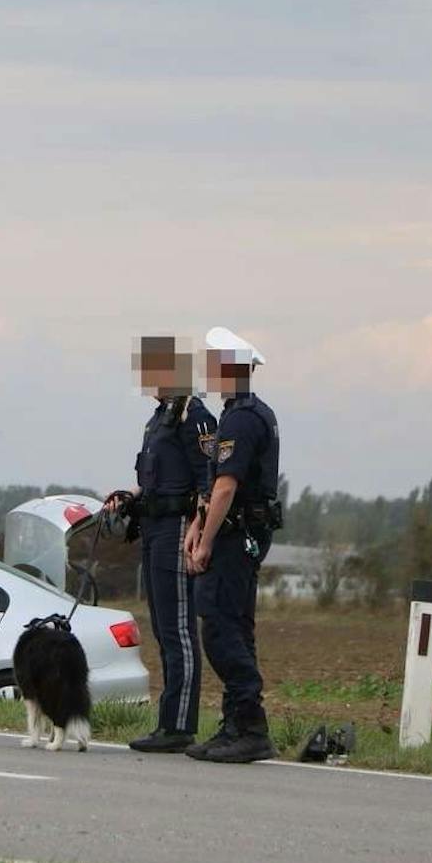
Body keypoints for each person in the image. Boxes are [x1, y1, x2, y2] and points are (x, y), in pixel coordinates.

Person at [107, 336, 219, 754]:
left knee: (179, 629)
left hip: (177, 529)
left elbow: (207, 481)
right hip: (153, 526)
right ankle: (167, 722)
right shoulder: (160, 418)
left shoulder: (196, 416)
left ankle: (180, 726)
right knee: (162, 627)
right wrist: (130, 497)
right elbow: (154, 476)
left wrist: (198, 530)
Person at [183, 326, 283, 763]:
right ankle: (235, 727)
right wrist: (197, 522)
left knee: (220, 629)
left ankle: (250, 725)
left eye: (213, 363)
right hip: (235, 532)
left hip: (234, 537)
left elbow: (226, 487)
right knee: (234, 628)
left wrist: (203, 542)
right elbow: (214, 488)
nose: (207, 370)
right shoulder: (241, 413)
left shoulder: (241, 418)